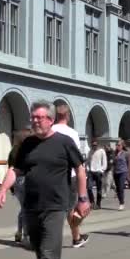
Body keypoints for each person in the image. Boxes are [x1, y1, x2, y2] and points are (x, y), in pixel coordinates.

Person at [0, 100, 90, 259]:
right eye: (33, 117)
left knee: (48, 256)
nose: (35, 121)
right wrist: (2, 189)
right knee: (43, 253)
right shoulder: (27, 144)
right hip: (31, 206)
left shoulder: (64, 142)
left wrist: (83, 199)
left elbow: (81, 170)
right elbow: (15, 170)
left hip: (56, 207)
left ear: (51, 119)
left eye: (39, 117)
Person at [52, 104, 90, 248]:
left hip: (54, 175)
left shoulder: (50, 130)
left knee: (55, 207)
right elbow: (76, 158)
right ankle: (75, 238)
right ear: (68, 116)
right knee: (71, 209)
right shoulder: (73, 133)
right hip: (71, 175)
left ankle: (75, 237)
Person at [10, 129, 33, 245]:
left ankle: (19, 232)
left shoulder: (13, 151)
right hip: (25, 180)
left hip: (16, 181)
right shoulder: (26, 151)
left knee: (23, 208)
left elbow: (10, 169)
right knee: (27, 209)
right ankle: (26, 236)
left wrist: (10, 186)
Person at [86, 140, 107, 209]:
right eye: (93, 145)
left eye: (95, 145)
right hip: (91, 172)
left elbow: (104, 162)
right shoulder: (90, 151)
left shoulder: (101, 151)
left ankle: (98, 204)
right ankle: (92, 202)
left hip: (98, 172)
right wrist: (88, 169)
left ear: (98, 145)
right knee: (89, 188)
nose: (94, 146)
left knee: (99, 189)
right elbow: (88, 161)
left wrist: (102, 170)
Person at [113, 139, 128, 210]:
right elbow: (112, 162)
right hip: (116, 172)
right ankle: (120, 201)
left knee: (121, 187)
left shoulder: (125, 153)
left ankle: (122, 203)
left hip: (123, 172)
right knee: (118, 188)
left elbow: (128, 163)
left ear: (122, 146)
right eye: (116, 145)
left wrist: (129, 173)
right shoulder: (114, 153)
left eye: (119, 145)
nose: (117, 146)